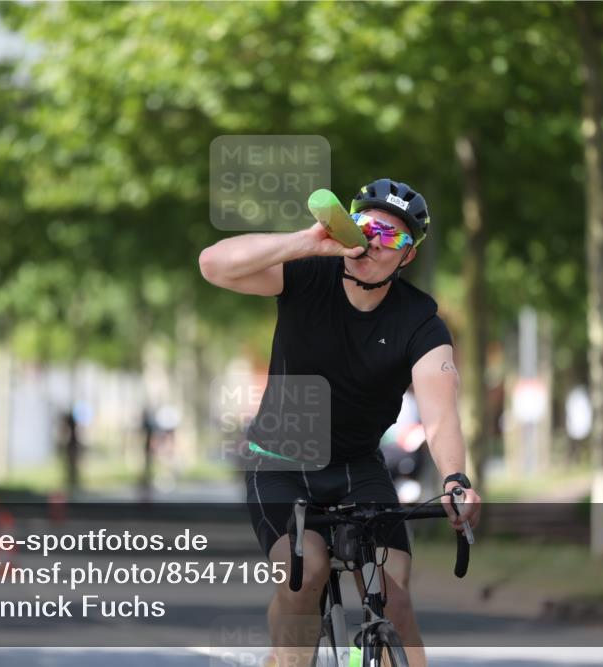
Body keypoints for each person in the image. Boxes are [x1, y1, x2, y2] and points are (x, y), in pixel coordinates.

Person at [199, 179, 482, 667]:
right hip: (279, 463)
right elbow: (213, 264)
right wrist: (306, 242)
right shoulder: (308, 275)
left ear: (408, 256)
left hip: (357, 467)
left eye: (392, 237)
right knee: (305, 571)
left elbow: (439, 415)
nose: (373, 242)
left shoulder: (420, 322)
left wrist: (456, 479)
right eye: (367, 226)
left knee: (394, 598)